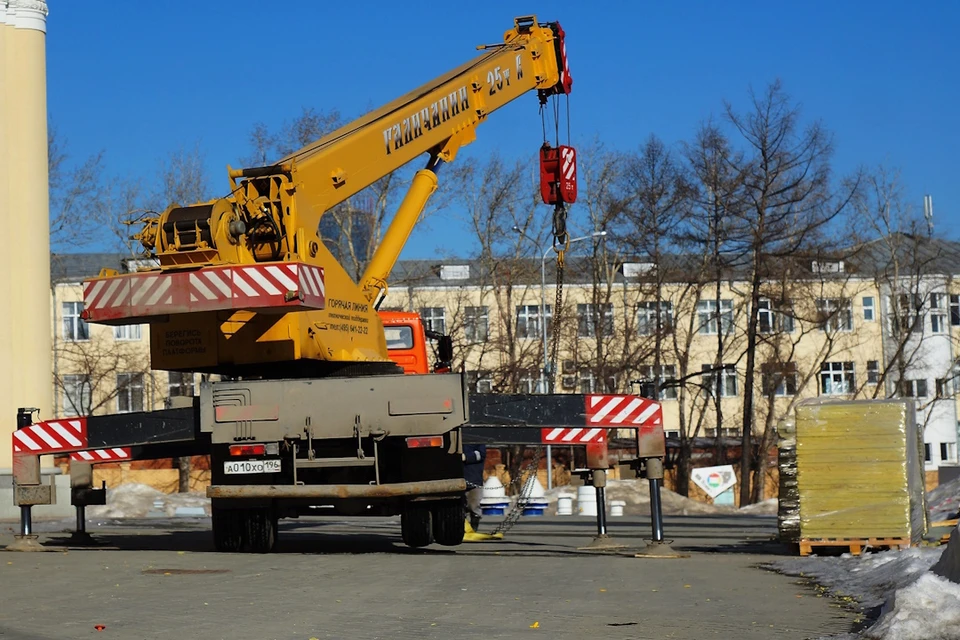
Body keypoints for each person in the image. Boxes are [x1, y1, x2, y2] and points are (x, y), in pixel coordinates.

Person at [462, 443, 486, 532]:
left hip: (474, 478)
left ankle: (474, 528)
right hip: (459, 479)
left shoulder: (477, 439)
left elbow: (481, 454)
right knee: (460, 506)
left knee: (474, 505)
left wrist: (466, 456)